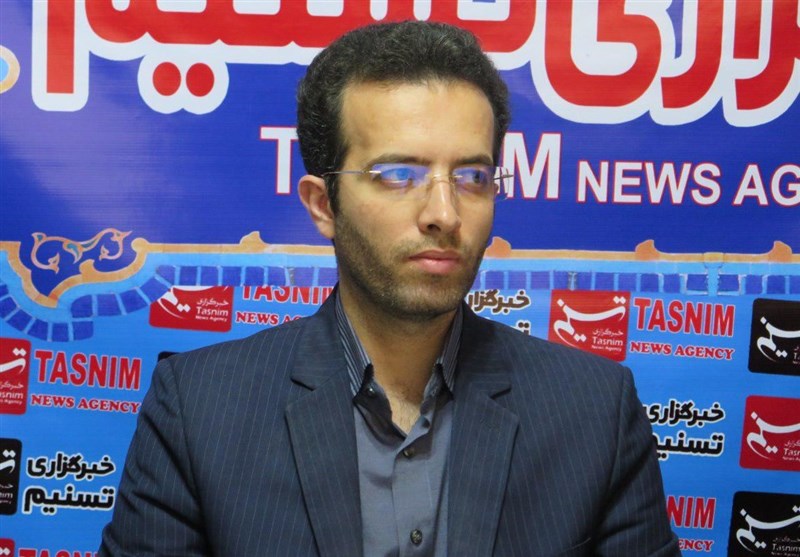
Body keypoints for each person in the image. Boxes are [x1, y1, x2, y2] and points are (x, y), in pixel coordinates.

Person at [100, 21, 680, 556]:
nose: (444, 213)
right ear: (323, 205)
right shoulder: (199, 410)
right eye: (399, 175)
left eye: (473, 176)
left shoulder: (595, 412)